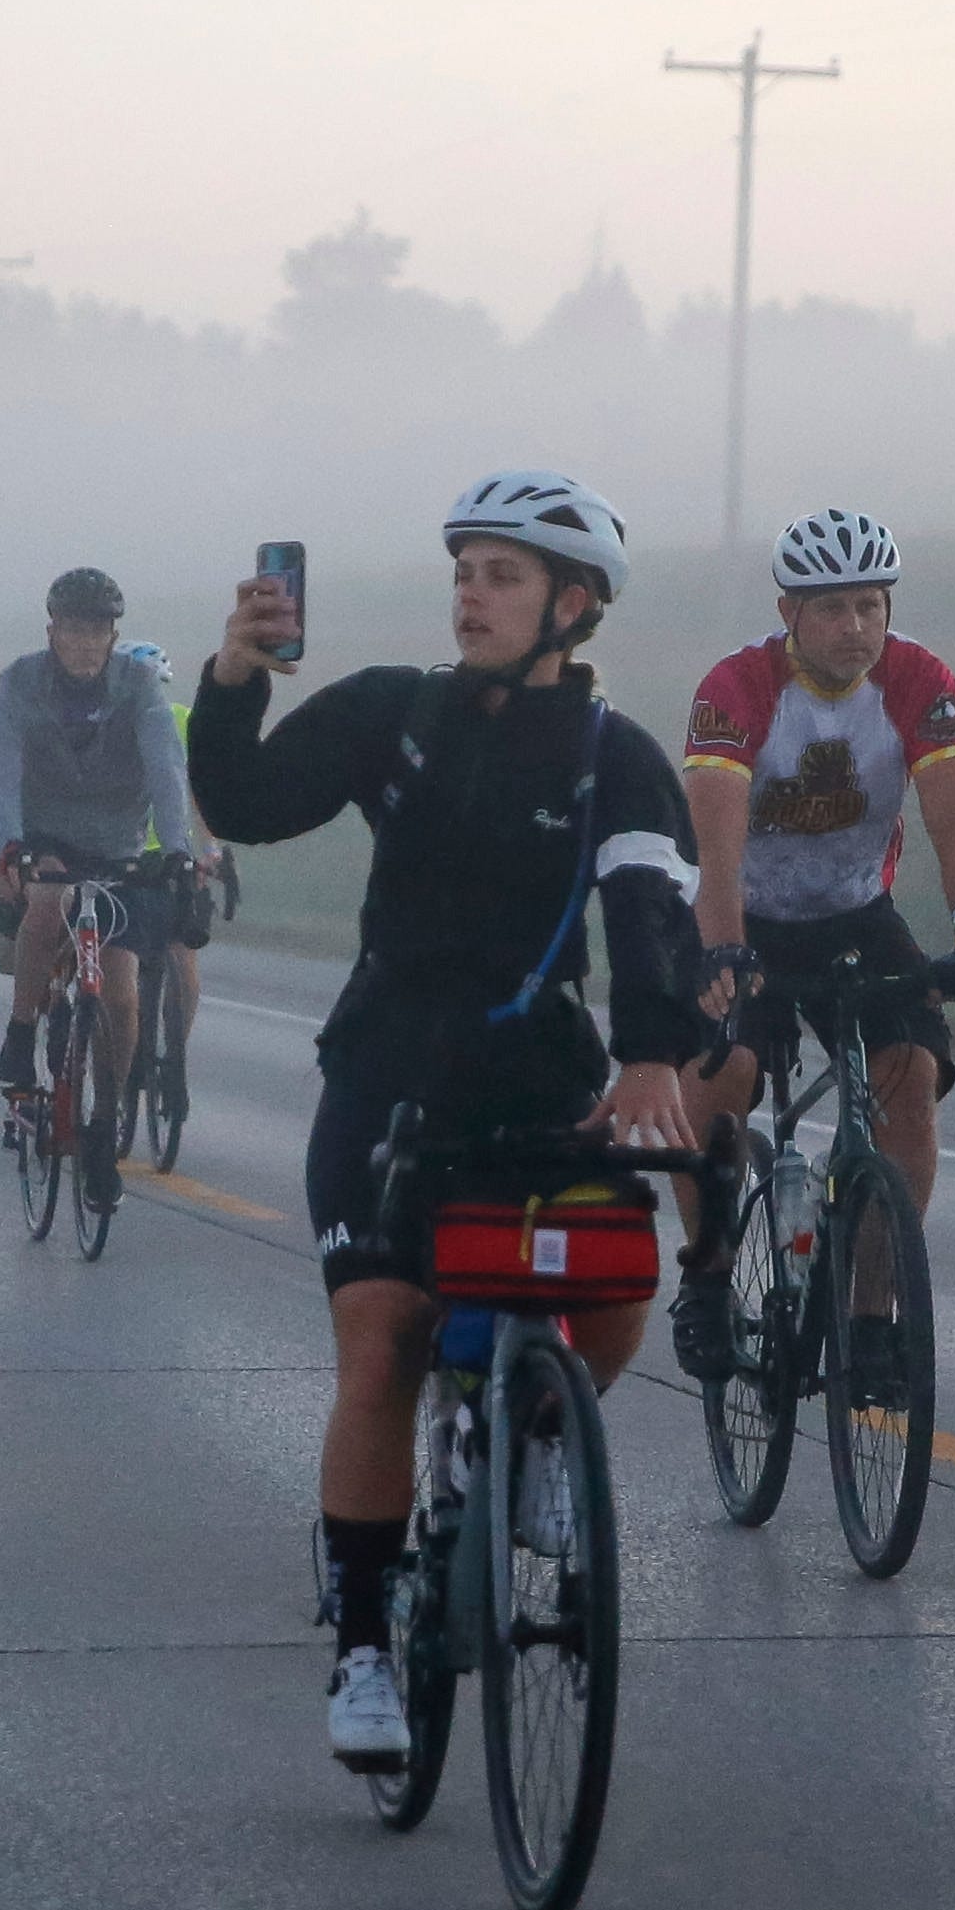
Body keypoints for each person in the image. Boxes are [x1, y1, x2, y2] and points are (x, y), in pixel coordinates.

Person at [184, 471, 702, 1772]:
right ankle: (364, 1638)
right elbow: (244, 805)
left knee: (619, 1294)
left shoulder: (615, 756)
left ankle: (536, 1433)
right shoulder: (389, 713)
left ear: (573, 606)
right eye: (464, 569)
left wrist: (651, 1058)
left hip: (539, 1078)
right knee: (386, 1334)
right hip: (388, 1074)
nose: (471, 593)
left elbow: (651, 912)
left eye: (503, 575)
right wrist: (236, 674)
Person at [667, 506, 955, 1379]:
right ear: (789, 615)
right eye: (831, 609)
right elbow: (718, 850)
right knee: (724, 1070)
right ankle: (704, 1281)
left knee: (910, 1080)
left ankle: (872, 1321)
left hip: (854, 910)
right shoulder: (736, 689)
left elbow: (954, 818)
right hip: (736, 907)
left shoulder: (918, 678)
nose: (855, 627)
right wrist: (727, 960)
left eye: (870, 606)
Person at [0, 568, 195, 1212]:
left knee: (122, 993)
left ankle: (103, 1128)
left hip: (119, 844)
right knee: (49, 901)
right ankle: (21, 1033)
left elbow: (164, 765)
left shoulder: (139, 686)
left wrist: (178, 850)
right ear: (52, 630)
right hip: (44, 834)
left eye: (96, 630)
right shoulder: (20, 682)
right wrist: (11, 844)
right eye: (72, 628)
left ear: (113, 635)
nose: (83, 641)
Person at [123, 639, 221, 1134]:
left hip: (174, 857)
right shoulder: (108, 726)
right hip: (118, 856)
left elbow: (199, 793)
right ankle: (116, 1044)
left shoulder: (183, 721)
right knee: (117, 964)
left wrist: (213, 851)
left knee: (184, 964)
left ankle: (173, 1058)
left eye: (155, 687)